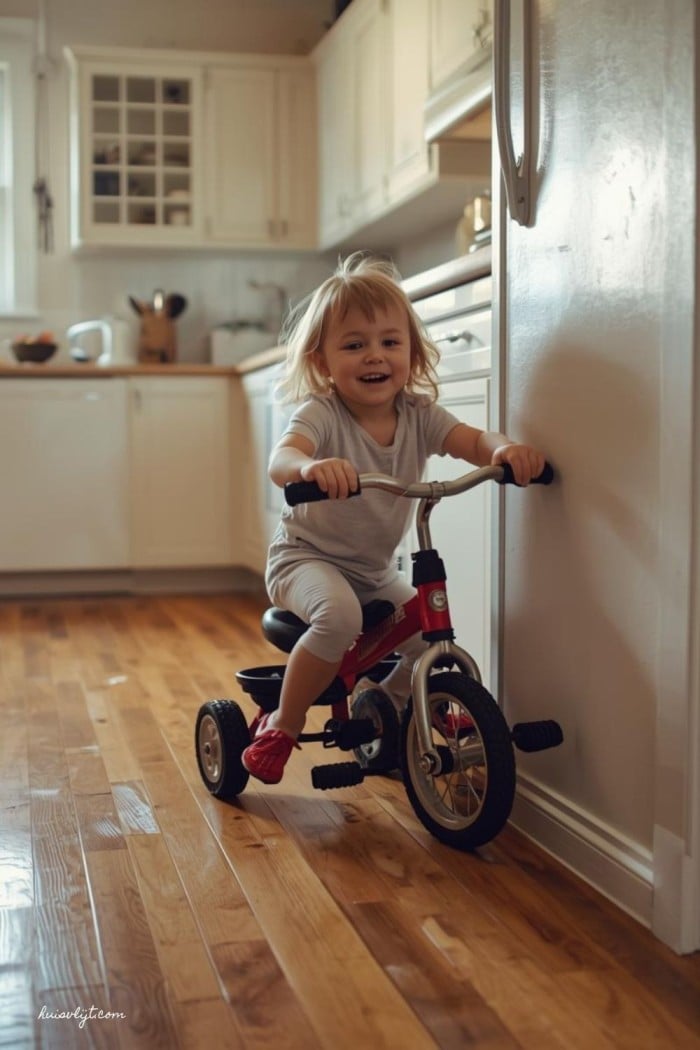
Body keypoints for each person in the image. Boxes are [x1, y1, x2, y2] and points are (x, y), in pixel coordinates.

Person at [242, 253, 546, 785]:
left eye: (389, 342)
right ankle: (282, 726)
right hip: (305, 559)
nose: (374, 356)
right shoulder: (321, 414)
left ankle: (391, 715)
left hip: (373, 569)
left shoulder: (419, 414)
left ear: (410, 350)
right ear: (323, 361)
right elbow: (281, 460)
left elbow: (473, 440)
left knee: (433, 640)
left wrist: (505, 450)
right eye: (354, 345)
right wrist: (312, 466)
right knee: (339, 619)